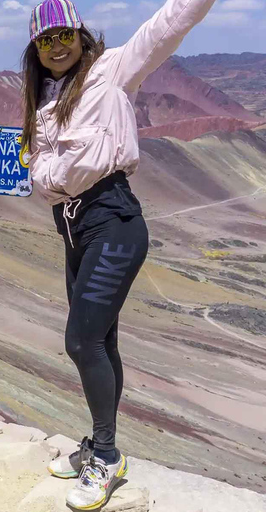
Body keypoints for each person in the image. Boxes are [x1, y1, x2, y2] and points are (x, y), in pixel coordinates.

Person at [21, 0, 216, 509]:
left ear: (82, 36)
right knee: (101, 342)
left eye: (65, 35)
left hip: (113, 221)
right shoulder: (45, 97)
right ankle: (100, 443)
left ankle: (105, 456)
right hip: (74, 229)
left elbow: (168, 25)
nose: (57, 46)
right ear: (36, 49)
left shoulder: (111, 71)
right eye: (46, 40)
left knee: (81, 341)